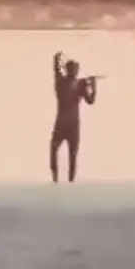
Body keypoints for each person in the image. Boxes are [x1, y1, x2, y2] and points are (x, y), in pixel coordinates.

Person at [50, 51, 97, 183]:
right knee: (70, 153)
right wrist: (93, 87)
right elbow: (91, 100)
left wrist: (92, 87)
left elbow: (90, 100)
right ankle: (65, 179)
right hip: (69, 123)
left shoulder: (68, 83)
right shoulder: (74, 84)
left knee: (62, 151)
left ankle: (58, 178)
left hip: (66, 122)